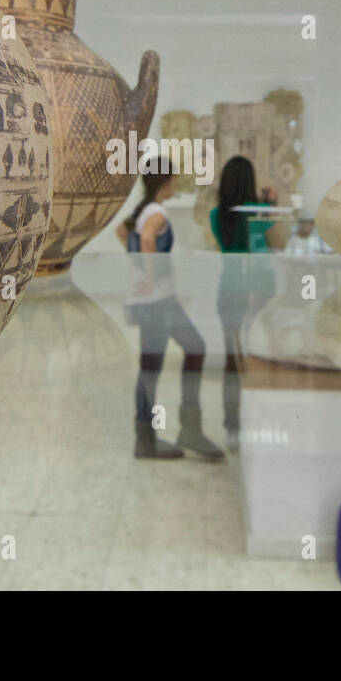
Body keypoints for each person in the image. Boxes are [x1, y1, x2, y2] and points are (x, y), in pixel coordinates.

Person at [118, 161, 224, 462]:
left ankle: (152, 437)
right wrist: (150, 276)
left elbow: (121, 232)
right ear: (165, 181)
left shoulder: (143, 210)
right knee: (186, 351)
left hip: (155, 302)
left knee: (156, 364)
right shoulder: (157, 213)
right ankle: (170, 434)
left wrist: (138, 268)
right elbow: (147, 240)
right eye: (173, 180)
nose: (175, 185)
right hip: (158, 302)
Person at [209, 156, 281, 451]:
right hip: (259, 291)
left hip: (228, 291)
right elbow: (273, 229)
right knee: (260, 358)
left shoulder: (216, 215)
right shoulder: (257, 213)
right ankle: (261, 422)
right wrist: (271, 202)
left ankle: (232, 427)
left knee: (232, 362)